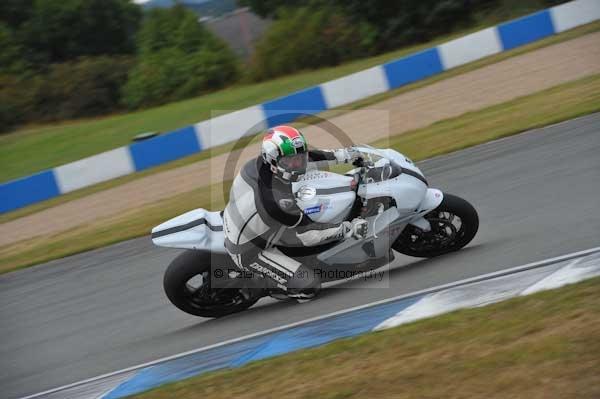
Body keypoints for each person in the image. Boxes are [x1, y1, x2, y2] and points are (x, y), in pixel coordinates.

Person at [222, 125, 368, 300]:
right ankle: (266, 285)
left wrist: (346, 155)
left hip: (236, 219)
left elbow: (311, 157)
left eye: (300, 158)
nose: (298, 165)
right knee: (309, 287)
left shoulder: (257, 165)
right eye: (290, 161)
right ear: (274, 160)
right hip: (249, 250)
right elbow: (307, 236)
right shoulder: (276, 202)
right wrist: (348, 228)